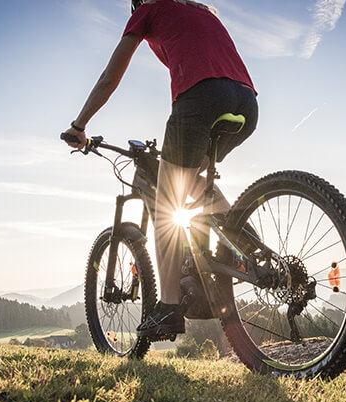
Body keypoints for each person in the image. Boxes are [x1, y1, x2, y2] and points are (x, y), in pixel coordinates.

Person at [62, 0, 258, 338]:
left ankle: (167, 309)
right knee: (195, 178)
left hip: (200, 98)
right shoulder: (202, 11)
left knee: (168, 203)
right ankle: (246, 240)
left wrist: (79, 125)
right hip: (246, 103)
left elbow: (111, 76)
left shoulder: (149, 10)